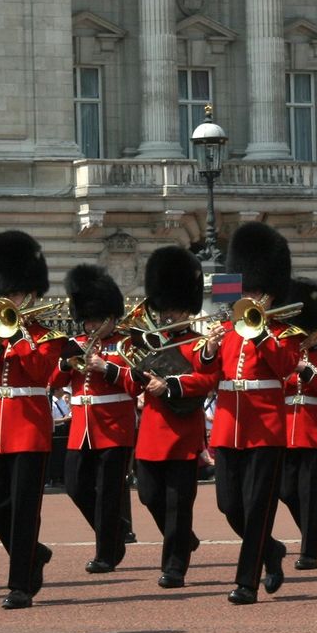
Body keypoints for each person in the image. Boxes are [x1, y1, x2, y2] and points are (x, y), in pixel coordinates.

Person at [193, 221, 302, 605]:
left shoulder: (281, 334)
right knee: (230, 505)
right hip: (228, 428)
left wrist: (263, 334)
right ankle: (271, 551)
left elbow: (287, 367)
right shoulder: (226, 330)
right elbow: (206, 375)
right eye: (248, 291)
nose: (251, 298)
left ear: (270, 296)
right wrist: (208, 348)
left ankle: (246, 582)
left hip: (265, 430)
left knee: (257, 508)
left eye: (258, 292)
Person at [110, 245, 216, 588]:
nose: (169, 316)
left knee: (176, 506)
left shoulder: (197, 344)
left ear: (188, 309)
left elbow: (208, 379)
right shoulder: (151, 344)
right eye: (166, 310)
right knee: (149, 497)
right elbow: (132, 381)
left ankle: (174, 566)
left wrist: (169, 384)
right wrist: (121, 374)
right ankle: (184, 540)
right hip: (152, 434)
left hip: (183, 433)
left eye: (175, 310)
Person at [0, 230, 67, 609]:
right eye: (5, 294)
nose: (8, 301)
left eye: (14, 295)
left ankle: (19, 584)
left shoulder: (49, 336)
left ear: (30, 296)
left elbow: (41, 372)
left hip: (29, 426)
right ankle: (34, 553)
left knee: (25, 507)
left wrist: (20, 337)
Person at [59, 264, 134, 574]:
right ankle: (115, 532)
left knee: (108, 492)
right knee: (76, 486)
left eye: (97, 320)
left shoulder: (127, 342)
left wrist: (108, 369)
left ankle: (106, 553)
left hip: (115, 426)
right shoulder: (73, 344)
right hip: (82, 427)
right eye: (87, 320)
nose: (91, 326)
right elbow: (51, 380)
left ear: (112, 317)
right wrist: (66, 365)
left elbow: (137, 382)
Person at [279, 277, 317, 571]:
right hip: (285, 429)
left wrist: (305, 371)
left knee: (311, 493)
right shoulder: (287, 351)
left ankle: (309, 550)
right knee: (286, 490)